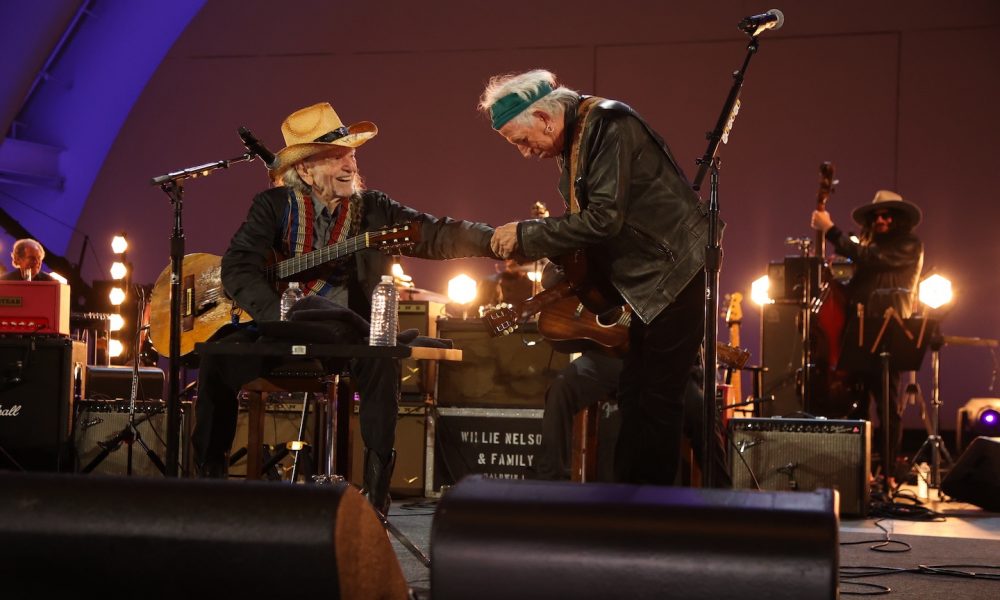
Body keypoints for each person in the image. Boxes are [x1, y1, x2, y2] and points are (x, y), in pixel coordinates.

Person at [193, 102, 496, 513]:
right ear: (304, 171)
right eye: (333, 156)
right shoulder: (273, 207)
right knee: (217, 356)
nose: (349, 163)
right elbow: (239, 268)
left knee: (380, 357)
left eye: (350, 153)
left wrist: (492, 240)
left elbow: (432, 232)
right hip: (280, 330)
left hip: (351, 336)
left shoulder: (373, 209)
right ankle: (208, 486)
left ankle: (375, 493)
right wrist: (276, 315)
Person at [480, 69, 710, 486]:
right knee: (635, 397)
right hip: (644, 283)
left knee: (657, 401)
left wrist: (528, 234)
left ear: (545, 118)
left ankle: (649, 515)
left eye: (521, 139)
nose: (524, 153)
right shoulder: (579, 139)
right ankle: (629, 505)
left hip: (674, 275)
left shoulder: (610, 124)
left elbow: (603, 219)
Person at [811, 190, 924, 480]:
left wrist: (830, 231)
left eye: (888, 215)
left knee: (887, 405)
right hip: (859, 328)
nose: (881, 219)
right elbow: (854, 280)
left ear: (898, 220)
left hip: (889, 328)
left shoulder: (908, 245)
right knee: (857, 405)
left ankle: (888, 473)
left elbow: (871, 258)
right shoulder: (867, 246)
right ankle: (857, 473)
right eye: (876, 215)